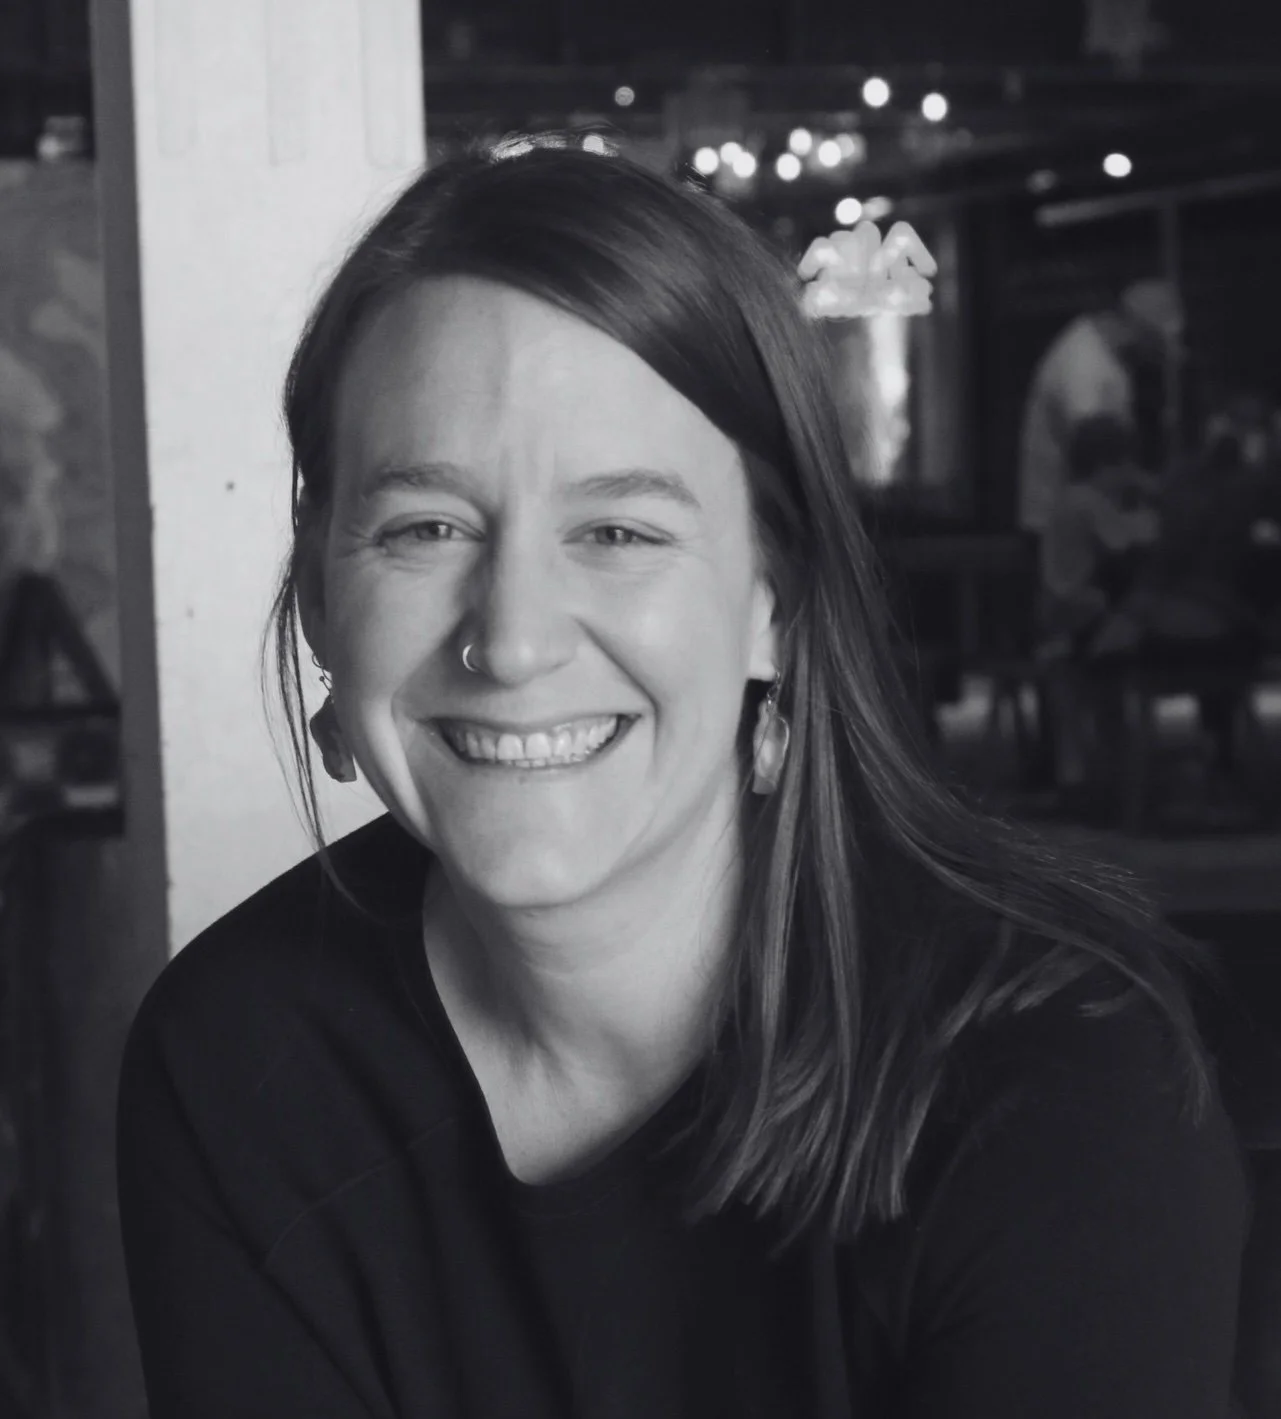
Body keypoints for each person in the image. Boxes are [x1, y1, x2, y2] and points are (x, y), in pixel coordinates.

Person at [116, 140, 1249, 1418]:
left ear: (777, 601)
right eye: (426, 528)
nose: (514, 640)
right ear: (324, 598)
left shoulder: (1058, 1095)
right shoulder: (243, 1060)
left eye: (617, 531)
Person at [1034, 413, 1160, 805]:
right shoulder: (1087, 502)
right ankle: (1117, 778)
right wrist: (1154, 499)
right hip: (1076, 616)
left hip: (1058, 615)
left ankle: (1095, 775)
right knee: (1128, 642)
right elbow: (1128, 541)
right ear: (1107, 463)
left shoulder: (1069, 498)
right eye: (1125, 464)